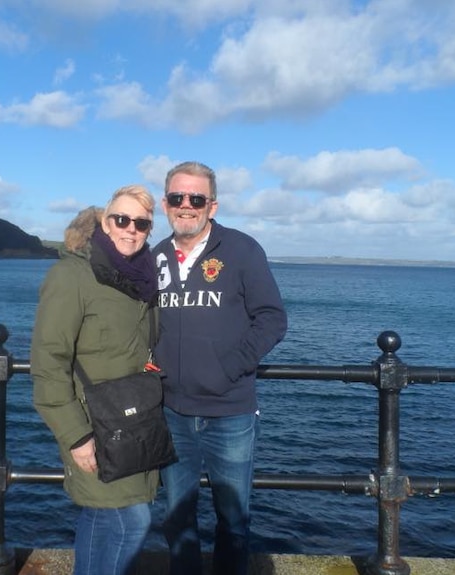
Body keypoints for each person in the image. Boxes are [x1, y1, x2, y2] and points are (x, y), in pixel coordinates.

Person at [153, 161, 288, 575]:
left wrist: (228, 368)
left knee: (233, 521)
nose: (187, 206)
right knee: (177, 519)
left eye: (197, 198)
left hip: (230, 412)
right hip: (171, 411)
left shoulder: (242, 250)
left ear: (212, 205)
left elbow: (272, 318)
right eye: (178, 198)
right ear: (166, 204)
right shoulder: (155, 256)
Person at [30, 184, 160, 575]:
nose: (130, 229)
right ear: (104, 222)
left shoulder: (142, 277)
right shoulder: (72, 276)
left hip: (134, 420)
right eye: (121, 219)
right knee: (133, 520)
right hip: (94, 425)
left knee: (102, 517)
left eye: (141, 223)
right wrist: (76, 435)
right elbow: (48, 361)